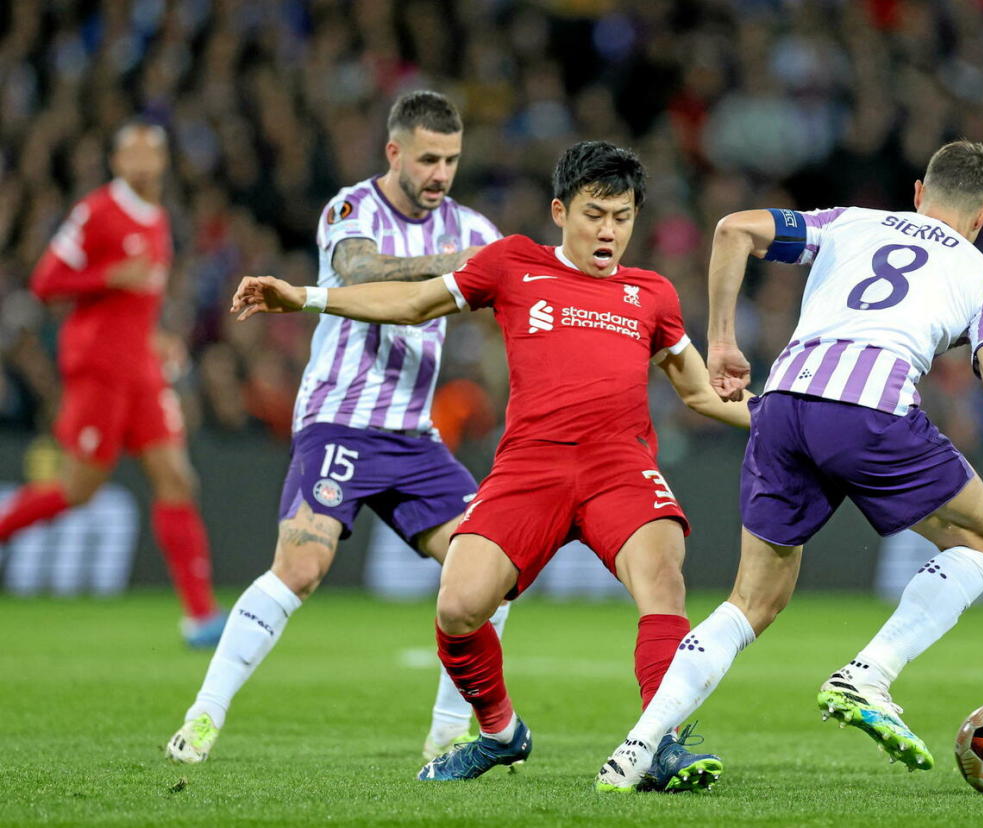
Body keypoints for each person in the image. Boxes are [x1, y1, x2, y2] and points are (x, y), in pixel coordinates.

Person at [229, 140, 752, 789]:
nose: (608, 230)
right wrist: (306, 297)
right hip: (529, 467)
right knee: (458, 608)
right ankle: (501, 733)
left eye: (622, 217)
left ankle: (660, 742)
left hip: (618, 464)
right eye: (595, 214)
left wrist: (790, 416)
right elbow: (414, 303)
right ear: (561, 210)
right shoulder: (513, 265)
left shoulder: (651, 294)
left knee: (662, 578)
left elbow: (700, 391)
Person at [596, 140, 983, 789]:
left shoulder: (852, 221)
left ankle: (633, 750)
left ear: (918, 192)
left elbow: (733, 228)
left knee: (752, 601)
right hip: (869, 408)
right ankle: (869, 675)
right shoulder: (982, 274)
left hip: (782, 406)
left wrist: (720, 341)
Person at [165, 91, 508, 765]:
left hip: (414, 437)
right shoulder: (352, 209)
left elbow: (521, 284)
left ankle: (446, 734)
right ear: (395, 152)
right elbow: (357, 271)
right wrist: (452, 267)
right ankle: (203, 716)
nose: (441, 173)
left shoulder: (472, 227)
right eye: (428, 158)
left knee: (489, 571)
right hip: (339, 423)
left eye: (452, 160)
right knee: (300, 567)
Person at [0, 122, 225, 648]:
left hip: (141, 369)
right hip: (98, 367)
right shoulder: (98, 211)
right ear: (116, 161)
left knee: (176, 477)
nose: (143, 164)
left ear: (165, 161)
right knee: (78, 489)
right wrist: (107, 277)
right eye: (133, 154)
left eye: (153, 153)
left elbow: (139, 301)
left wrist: (158, 337)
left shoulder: (161, 218)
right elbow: (44, 281)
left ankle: (201, 616)